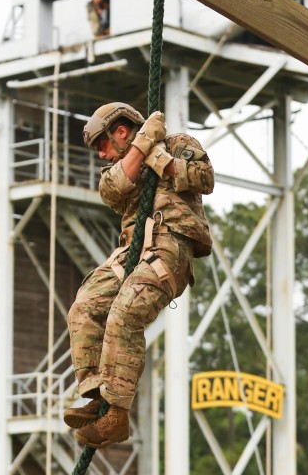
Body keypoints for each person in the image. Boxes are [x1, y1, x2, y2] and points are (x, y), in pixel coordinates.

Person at [66, 102, 214, 448]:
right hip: (133, 253)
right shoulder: (117, 170)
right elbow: (114, 190)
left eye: (103, 144)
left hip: (169, 249)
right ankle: (97, 396)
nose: (102, 155)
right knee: (84, 307)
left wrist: (157, 156)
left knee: (125, 312)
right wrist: (142, 144)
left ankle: (117, 415)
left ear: (119, 131)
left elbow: (204, 179)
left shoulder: (177, 143)